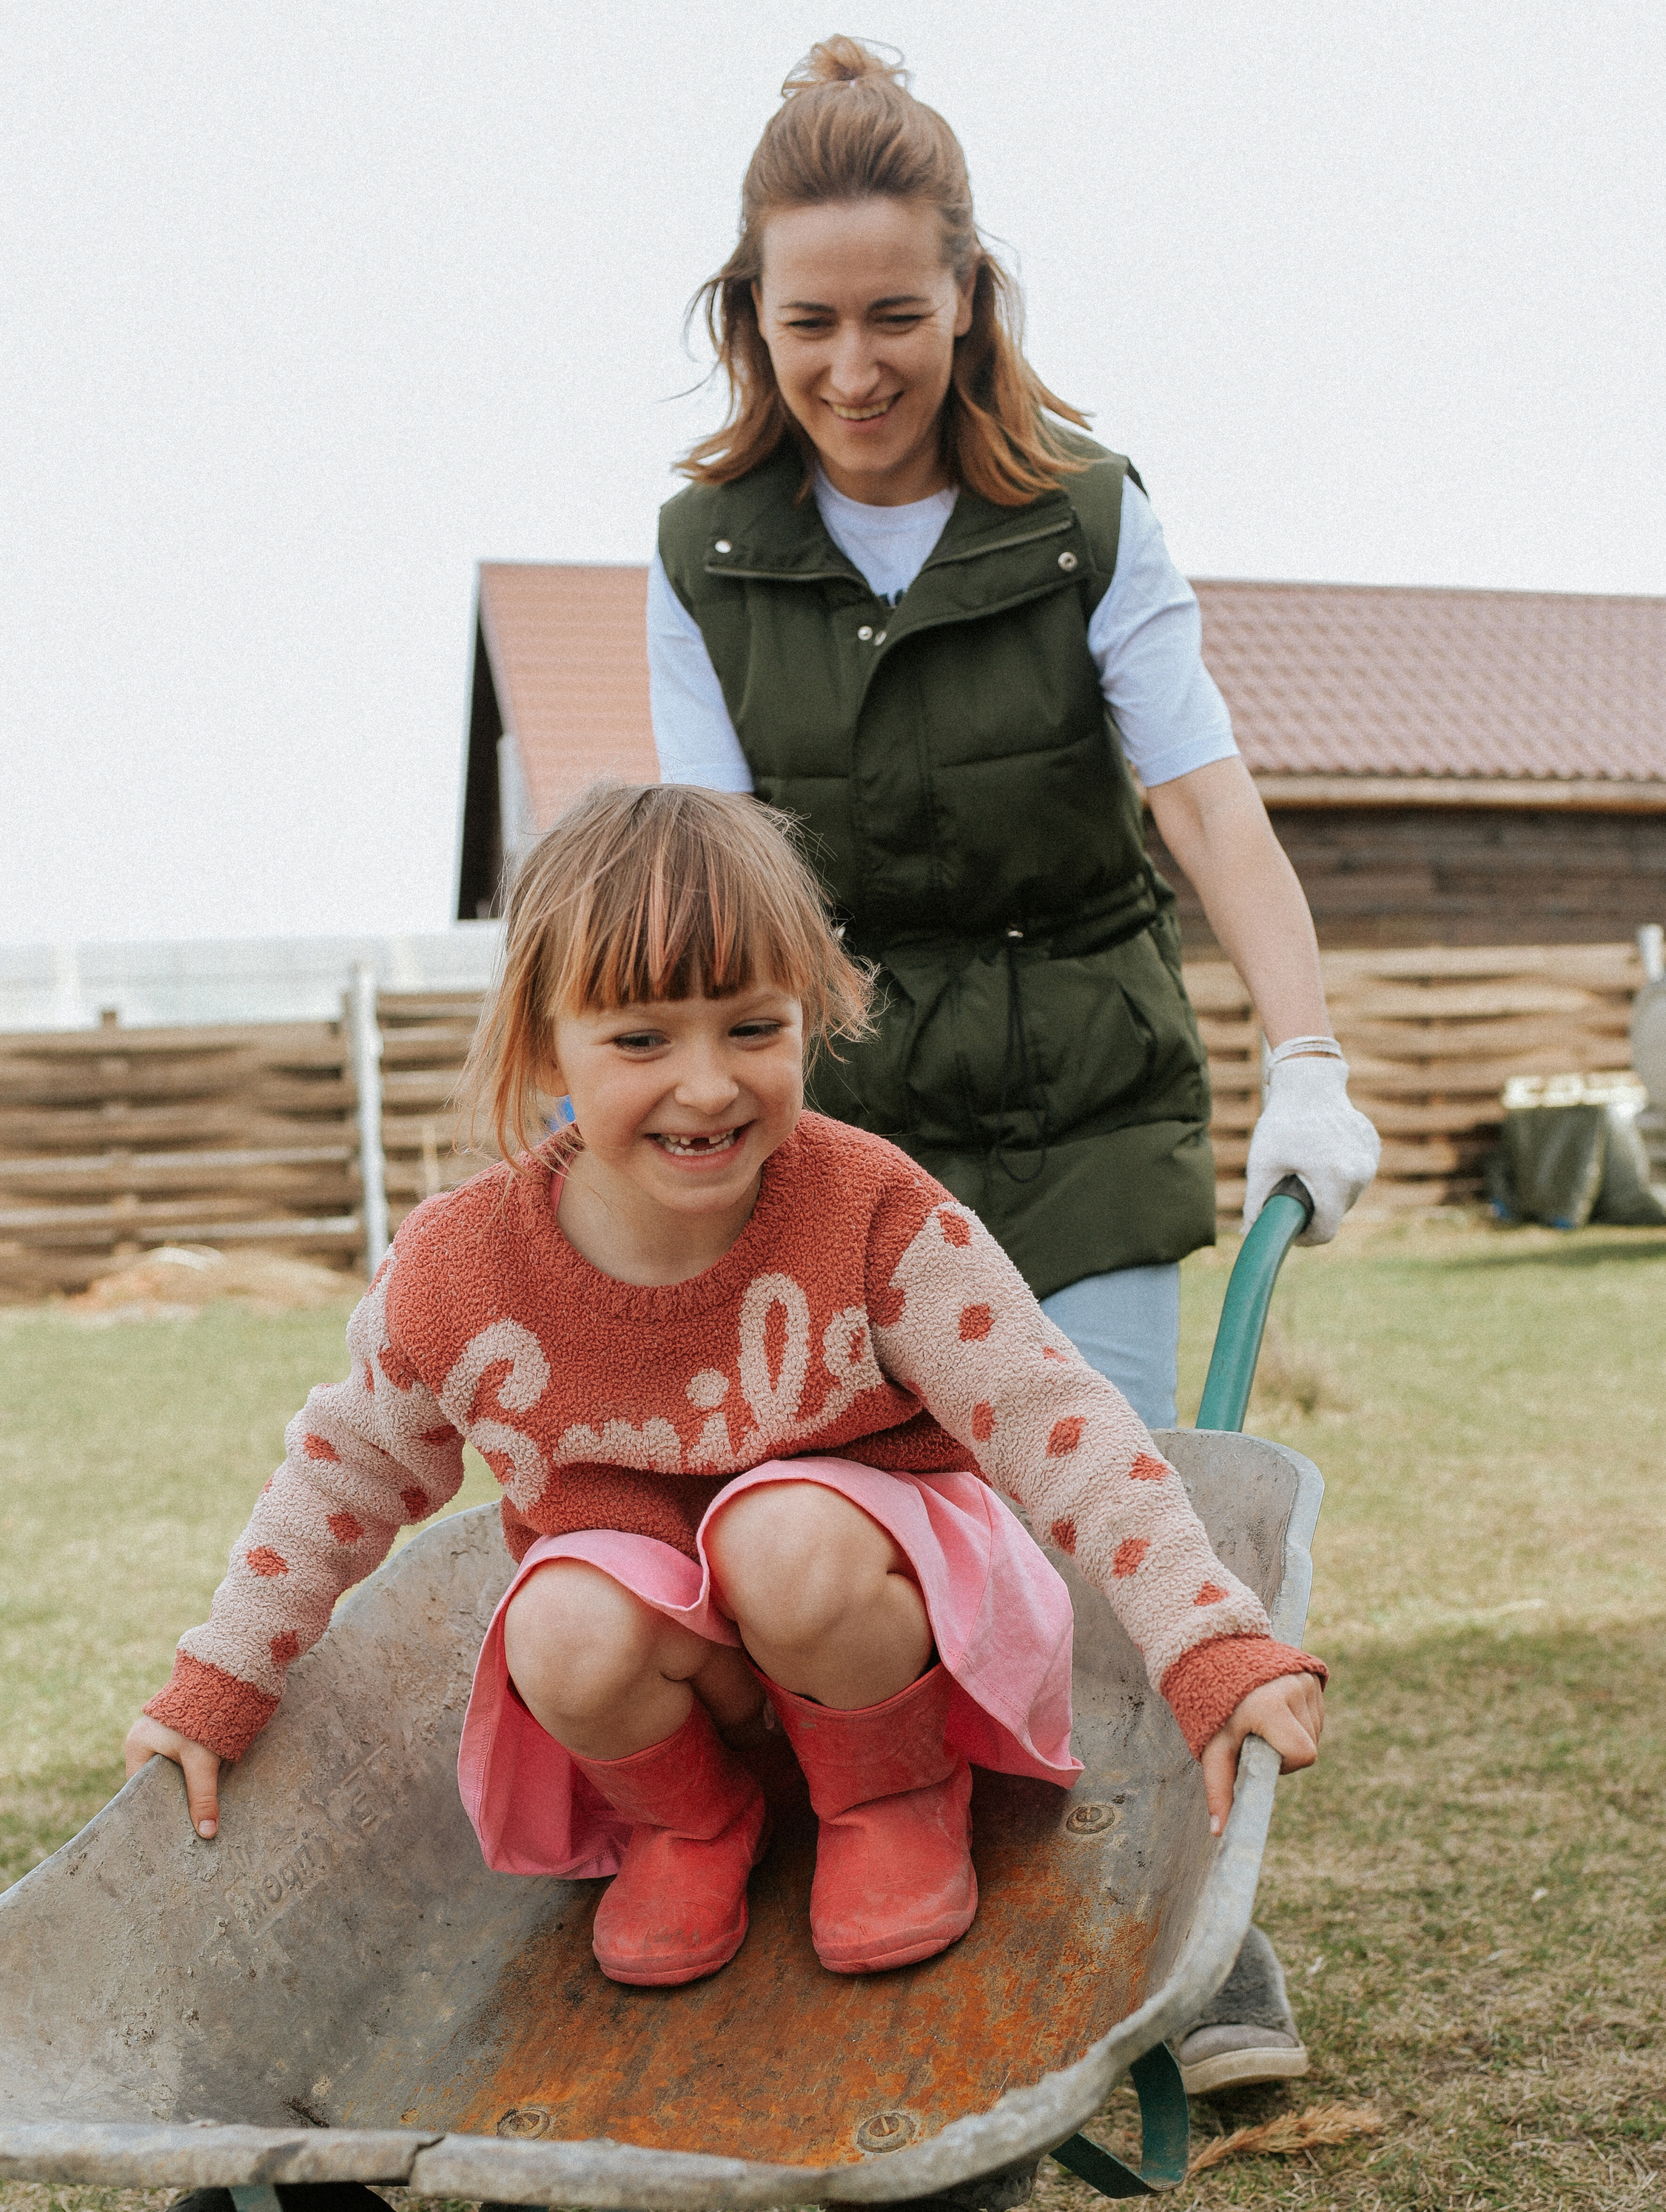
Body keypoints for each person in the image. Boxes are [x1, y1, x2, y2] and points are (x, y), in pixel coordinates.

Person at [648, 36, 1377, 2076]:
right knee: (853, 1541)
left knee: (1106, 1515)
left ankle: (1181, 1937)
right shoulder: (707, 555)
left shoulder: (1083, 522)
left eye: (897, 312)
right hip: (852, 1140)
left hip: (1084, 1097)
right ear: (750, 318)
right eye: (811, 321)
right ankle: (900, 1882)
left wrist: (1304, 1050)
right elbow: (718, 880)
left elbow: (1210, 807)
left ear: (970, 296)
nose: (856, 363)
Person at [125, 787, 1324, 1992]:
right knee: (557, 1620)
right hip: (686, 1685)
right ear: (549, 1046)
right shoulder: (462, 1271)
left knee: (781, 1532)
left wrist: (1207, 1640)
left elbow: (1051, 1419)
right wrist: (222, 1677)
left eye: (753, 1028)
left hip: (876, 1622)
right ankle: (693, 1822)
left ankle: (892, 1794)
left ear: (809, 1017)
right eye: (642, 1041)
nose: (707, 1087)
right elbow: (340, 1474)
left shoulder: (866, 1213)